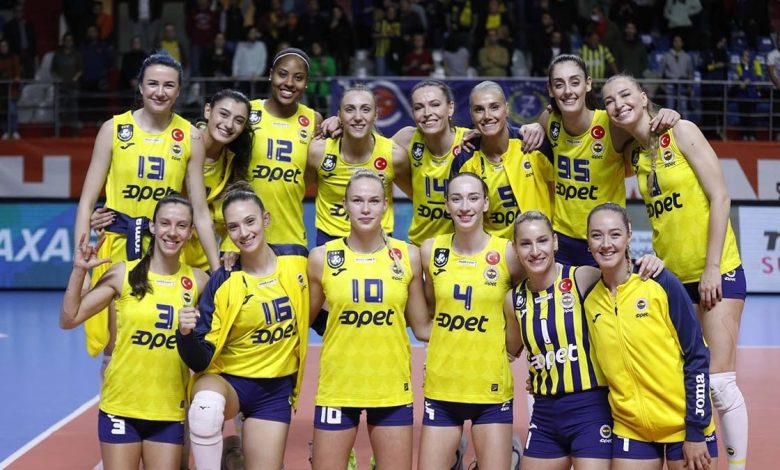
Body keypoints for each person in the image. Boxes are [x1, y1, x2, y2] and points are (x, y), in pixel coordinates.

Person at [602, 74, 748, 470]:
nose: (618, 104)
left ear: (643, 95)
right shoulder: (633, 154)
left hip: (716, 270)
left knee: (719, 383)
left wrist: (712, 267)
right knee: (688, 376)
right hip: (673, 279)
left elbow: (720, 196)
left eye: (625, 94)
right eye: (609, 100)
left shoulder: (681, 131)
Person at [74, 52, 220, 359]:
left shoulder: (190, 136)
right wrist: (81, 267)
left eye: (169, 85)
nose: (160, 92)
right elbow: (86, 202)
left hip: (166, 247)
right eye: (152, 83)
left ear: (179, 91)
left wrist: (217, 270)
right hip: (116, 245)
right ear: (140, 86)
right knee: (115, 344)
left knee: (166, 339)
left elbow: (200, 211)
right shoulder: (114, 129)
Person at [506, 210, 663, 470]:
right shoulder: (514, 300)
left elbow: (623, 278)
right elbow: (509, 352)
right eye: (525, 244)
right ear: (515, 249)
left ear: (555, 242)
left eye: (542, 241)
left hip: (590, 411)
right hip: (545, 415)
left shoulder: (583, 278)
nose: (535, 251)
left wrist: (650, 262)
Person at [61, 194, 209, 469]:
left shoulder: (199, 282)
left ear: (190, 232)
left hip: (168, 410)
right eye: (165, 223)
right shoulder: (123, 274)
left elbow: (208, 351)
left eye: (181, 225)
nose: (172, 232)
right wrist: (79, 271)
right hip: (120, 406)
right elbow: (69, 319)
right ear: (152, 226)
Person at [176, 184, 309, 470]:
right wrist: (185, 335)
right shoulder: (224, 279)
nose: (244, 233)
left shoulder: (298, 260)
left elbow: (321, 309)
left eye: (250, 221)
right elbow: (200, 359)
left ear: (266, 219)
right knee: (206, 409)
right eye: (234, 227)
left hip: (274, 390)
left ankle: (232, 454)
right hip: (229, 381)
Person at [307, 170, 429, 469]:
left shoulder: (408, 256)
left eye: (374, 201)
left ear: (386, 204)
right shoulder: (322, 258)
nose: (365, 208)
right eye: (357, 200)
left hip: (390, 385)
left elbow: (422, 327)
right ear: (344, 204)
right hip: (338, 384)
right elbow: (304, 320)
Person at [582, 202, 717, 470]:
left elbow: (697, 356)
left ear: (629, 235)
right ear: (588, 241)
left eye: (615, 234)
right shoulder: (590, 300)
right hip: (631, 428)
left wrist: (695, 429)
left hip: (684, 426)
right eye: (597, 235)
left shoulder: (659, 282)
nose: (606, 244)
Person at [417, 172, 523, 469]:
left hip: (490, 387)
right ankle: (456, 458)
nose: (465, 206)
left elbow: (521, 307)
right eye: (457, 199)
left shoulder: (508, 253)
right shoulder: (431, 250)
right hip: (443, 385)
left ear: (486, 203)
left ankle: (510, 454)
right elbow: (431, 310)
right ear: (447, 205)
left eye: (473, 198)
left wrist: (510, 349)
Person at [539, 54, 678, 267]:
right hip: (562, 239)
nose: (567, 90)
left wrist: (665, 113)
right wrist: (532, 127)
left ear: (588, 84)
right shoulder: (549, 122)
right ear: (550, 90)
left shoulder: (612, 124)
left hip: (605, 241)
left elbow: (645, 121)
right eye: (559, 84)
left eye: (575, 82)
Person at [308, 84, 411, 245]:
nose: (357, 116)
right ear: (339, 116)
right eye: (349, 109)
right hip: (330, 242)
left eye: (365, 109)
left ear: (376, 115)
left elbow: (418, 197)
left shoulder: (394, 155)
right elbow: (297, 191)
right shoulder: (318, 151)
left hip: (379, 243)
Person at [451, 81, 554, 240]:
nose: (487, 116)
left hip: (537, 245)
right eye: (479, 109)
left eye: (494, 107)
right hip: (492, 251)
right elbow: (461, 216)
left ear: (507, 109)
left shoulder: (534, 145)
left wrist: (540, 125)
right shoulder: (464, 160)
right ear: (471, 114)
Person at [247, 47, 323, 248]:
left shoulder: (313, 120)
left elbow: (310, 174)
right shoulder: (248, 111)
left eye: (298, 78)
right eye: (282, 74)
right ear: (271, 74)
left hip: (290, 235)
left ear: (306, 82)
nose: (289, 83)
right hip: (244, 235)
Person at [391, 80, 471, 246]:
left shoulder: (470, 141)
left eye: (435, 105)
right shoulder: (406, 139)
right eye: (419, 107)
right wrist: (339, 122)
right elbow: (369, 149)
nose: (427, 113)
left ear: (450, 108)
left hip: (462, 248)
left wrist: (527, 129)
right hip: (419, 245)